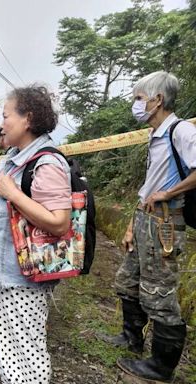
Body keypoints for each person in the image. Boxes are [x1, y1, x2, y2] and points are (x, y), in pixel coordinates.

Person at [0, 86, 72, 383]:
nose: (1, 123)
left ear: (26, 119)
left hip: (25, 280)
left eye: (6, 116)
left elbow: (59, 222)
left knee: (27, 352)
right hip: (4, 273)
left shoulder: (46, 163)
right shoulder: (15, 158)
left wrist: (14, 193)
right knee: (9, 350)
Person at [101, 71, 194, 383]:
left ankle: (161, 366)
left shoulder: (181, 132)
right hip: (144, 219)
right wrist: (130, 225)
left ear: (159, 100)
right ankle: (131, 338)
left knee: (160, 292)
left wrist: (169, 192)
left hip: (165, 222)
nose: (136, 105)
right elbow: (148, 187)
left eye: (140, 99)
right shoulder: (156, 136)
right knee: (128, 282)